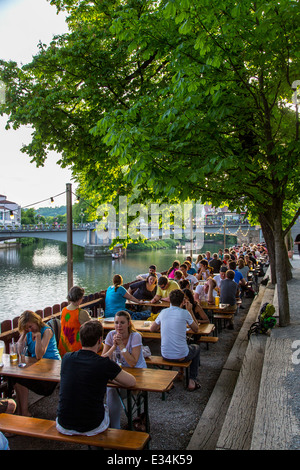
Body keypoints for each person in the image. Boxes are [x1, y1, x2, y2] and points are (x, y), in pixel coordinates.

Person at [56, 320, 136, 435]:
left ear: (80, 339)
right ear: (100, 341)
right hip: (92, 425)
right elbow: (131, 382)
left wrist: (113, 347)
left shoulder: (67, 358)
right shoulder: (103, 364)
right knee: (104, 408)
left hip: (63, 424)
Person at [102, 310, 147, 428]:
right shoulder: (111, 335)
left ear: (128, 323)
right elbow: (103, 359)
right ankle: (114, 427)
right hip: (121, 371)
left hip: (137, 372)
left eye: (122, 322)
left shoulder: (135, 336)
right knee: (111, 390)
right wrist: (114, 346)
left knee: (112, 391)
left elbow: (132, 363)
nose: (119, 326)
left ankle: (113, 425)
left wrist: (121, 345)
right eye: (116, 323)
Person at [150, 289, 201, 391]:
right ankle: (192, 380)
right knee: (196, 348)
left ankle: (177, 374)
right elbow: (196, 329)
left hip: (165, 354)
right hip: (181, 355)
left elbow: (152, 329)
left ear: (169, 300)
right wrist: (190, 310)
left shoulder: (163, 312)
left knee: (181, 345)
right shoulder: (185, 313)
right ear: (183, 301)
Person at [12, 310, 61, 416]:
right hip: (38, 369)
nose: (29, 329)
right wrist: (24, 334)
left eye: (30, 326)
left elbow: (39, 355)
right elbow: (18, 351)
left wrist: (38, 337)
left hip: (52, 370)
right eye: (26, 328)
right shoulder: (28, 333)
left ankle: (24, 412)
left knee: (21, 379)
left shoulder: (47, 331)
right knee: (14, 378)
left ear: (36, 321)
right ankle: (22, 411)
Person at [58, 285, 92, 357]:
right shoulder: (81, 313)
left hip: (63, 348)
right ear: (79, 298)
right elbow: (92, 327)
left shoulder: (63, 311)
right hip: (77, 349)